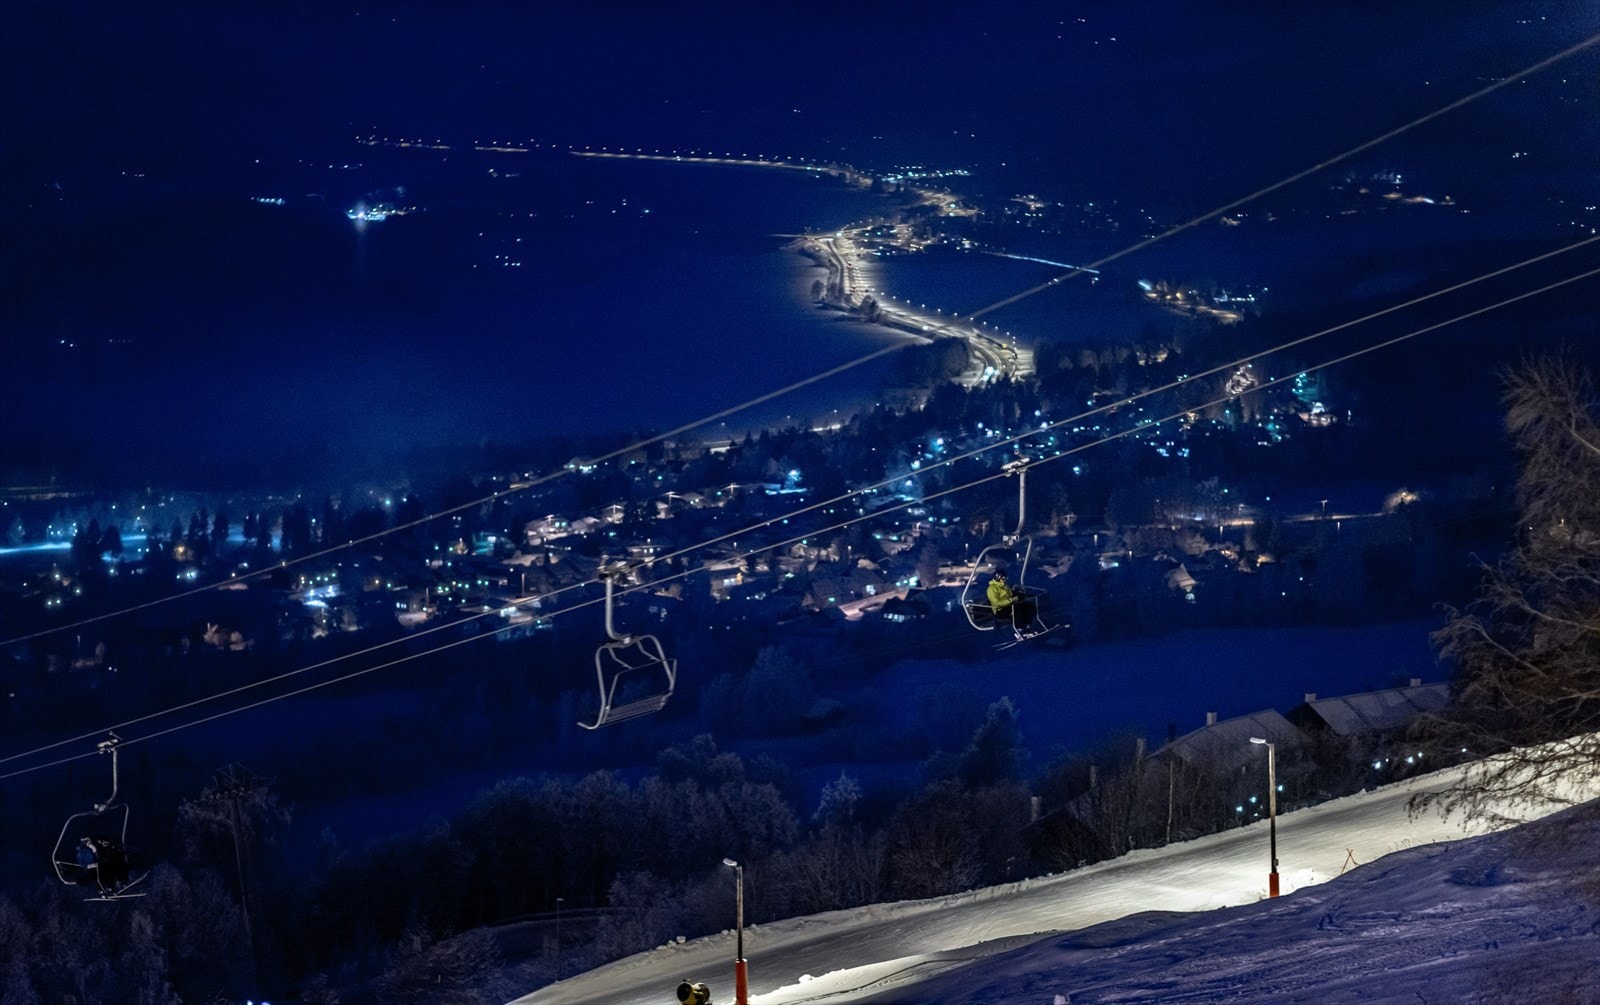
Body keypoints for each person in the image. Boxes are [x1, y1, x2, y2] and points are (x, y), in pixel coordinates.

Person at [987, 568, 1038, 638]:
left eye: (1005, 578)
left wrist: (1016, 593)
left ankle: (1027, 626)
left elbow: (1011, 594)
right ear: (998, 578)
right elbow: (996, 603)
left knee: (1028, 605)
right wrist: (1012, 600)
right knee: (1017, 608)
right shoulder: (992, 589)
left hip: (1010, 605)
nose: (1005, 580)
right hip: (1000, 610)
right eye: (1003, 578)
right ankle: (1019, 629)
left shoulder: (1005, 586)